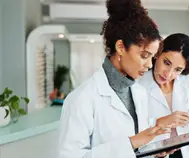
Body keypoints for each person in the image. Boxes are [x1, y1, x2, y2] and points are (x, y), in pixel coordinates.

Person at [57, 0, 172, 158]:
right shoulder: (81, 99)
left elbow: (139, 149)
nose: (149, 65)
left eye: (152, 58)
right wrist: (132, 143)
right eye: (144, 56)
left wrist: (155, 152)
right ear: (120, 47)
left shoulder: (139, 93)